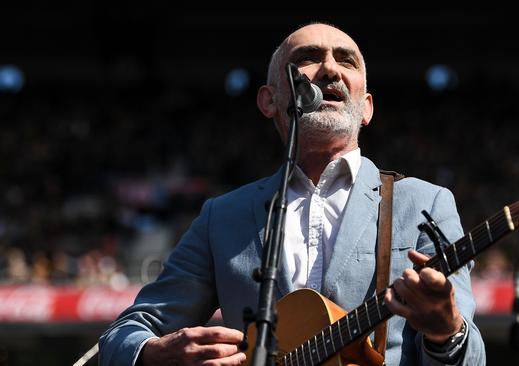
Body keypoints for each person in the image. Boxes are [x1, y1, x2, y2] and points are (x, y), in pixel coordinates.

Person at [99, 22, 486, 366]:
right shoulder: (223, 216)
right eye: (308, 58)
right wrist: (151, 353)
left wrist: (447, 332)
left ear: (366, 108)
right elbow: (124, 334)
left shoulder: (423, 204)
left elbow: (471, 357)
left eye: (346, 61)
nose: (330, 69)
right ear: (269, 101)